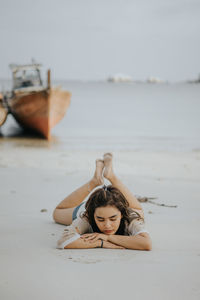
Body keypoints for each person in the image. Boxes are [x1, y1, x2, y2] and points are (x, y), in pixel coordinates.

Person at [53, 153, 152, 250]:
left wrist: (108, 237)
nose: (107, 225)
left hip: (123, 208)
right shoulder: (87, 217)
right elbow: (63, 241)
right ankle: (94, 181)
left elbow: (146, 243)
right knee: (57, 213)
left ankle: (112, 176)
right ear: (93, 216)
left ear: (122, 214)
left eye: (113, 219)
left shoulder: (129, 217)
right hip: (87, 207)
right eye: (100, 219)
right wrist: (100, 243)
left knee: (138, 213)